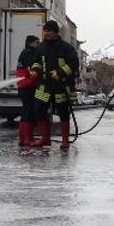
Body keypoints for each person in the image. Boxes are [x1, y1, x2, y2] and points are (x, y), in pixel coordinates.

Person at [32, 20, 79, 150]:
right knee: (39, 110)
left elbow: (74, 64)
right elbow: (36, 61)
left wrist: (60, 73)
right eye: (45, 31)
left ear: (56, 32)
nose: (46, 34)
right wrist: (35, 70)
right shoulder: (41, 47)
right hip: (44, 85)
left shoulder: (67, 48)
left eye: (49, 31)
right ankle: (45, 139)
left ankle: (65, 140)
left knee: (63, 112)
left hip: (61, 86)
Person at [14, 34, 41, 149]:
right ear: (31, 43)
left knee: (25, 112)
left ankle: (22, 138)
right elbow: (32, 69)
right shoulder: (29, 53)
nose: (38, 45)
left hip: (23, 86)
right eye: (37, 43)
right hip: (28, 86)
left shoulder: (24, 52)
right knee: (29, 112)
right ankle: (28, 139)